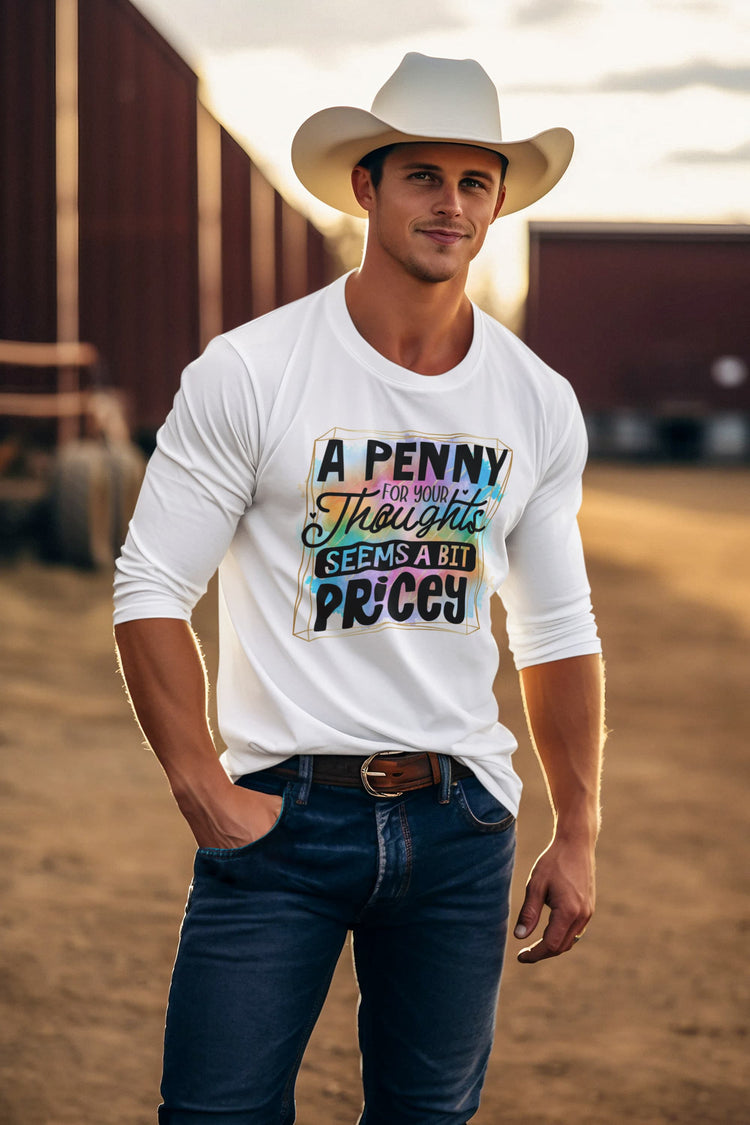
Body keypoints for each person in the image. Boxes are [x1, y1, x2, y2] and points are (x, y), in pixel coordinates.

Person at [114, 51, 605, 1125]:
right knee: (214, 1113)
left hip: (461, 827)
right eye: (423, 175)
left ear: (500, 201)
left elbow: (557, 629)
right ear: (365, 188)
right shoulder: (254, 371)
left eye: (476, 182)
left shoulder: (535, 401)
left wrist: (576, 830)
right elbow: (150, 583)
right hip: (281, 821)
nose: (452, 203)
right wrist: (201, 785)